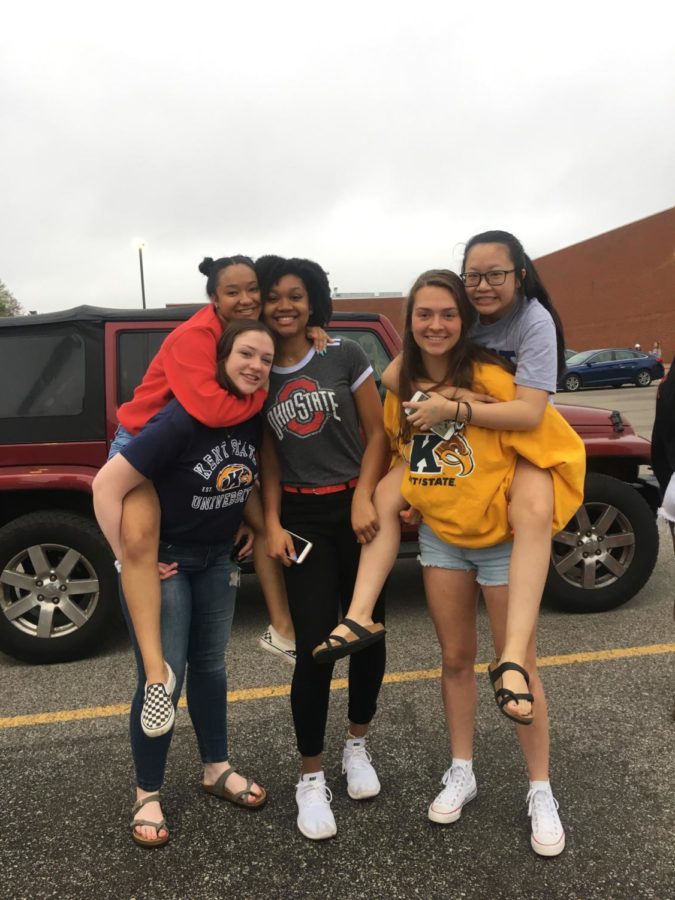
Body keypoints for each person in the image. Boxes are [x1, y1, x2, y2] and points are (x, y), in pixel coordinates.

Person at [316, 230, 569, 726]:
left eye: (496, 274)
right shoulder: (464, 319)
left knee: (535, 510)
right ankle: (360, 613)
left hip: (522, 447)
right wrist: (313, 334)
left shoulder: (533, 321)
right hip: (459, 457)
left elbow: (530, 413)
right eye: (473, 275)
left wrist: (456, 403)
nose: (483, 285)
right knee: (392, 491)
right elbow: (395, 378)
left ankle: (514, 655)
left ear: (520, 274)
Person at [385, 269, 584, 855]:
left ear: (466, 320)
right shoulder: (407, 379)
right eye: (425, 314)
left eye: (449, 313)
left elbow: (537, 431)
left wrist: (466, 403)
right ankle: (462, 769)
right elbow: (400, 438)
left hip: (501, 537)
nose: (437, 324)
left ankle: (540, 788)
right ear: (411, 320)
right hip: (444, 536)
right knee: (454, 658)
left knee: (516, 661)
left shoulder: (499, 378)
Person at [94, 256, 327, 737]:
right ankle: (158, 677)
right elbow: (212, 409)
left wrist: (317, 332)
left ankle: (281, 629)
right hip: (142, 443)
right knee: (139, 543)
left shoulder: (248, 331)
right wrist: (120, 557)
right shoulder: (193, 339)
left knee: (263, 526)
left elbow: (282, 335)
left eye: (252, 291)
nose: (246, 300)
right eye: (233, 292)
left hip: (201, 461)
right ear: (213, 298)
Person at [97, 319, 274, 846]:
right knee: (162, 678)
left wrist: (241, 516)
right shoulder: (180, 418)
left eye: (265, 359)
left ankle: (215, 768)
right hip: (166, 564)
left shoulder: (251, 413)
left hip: (217, 559)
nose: (256, 366)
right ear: (220, 359)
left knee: (212, 669)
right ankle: (146, 793)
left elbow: (238, 473)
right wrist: (129, 559)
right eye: (245, 354)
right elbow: (107, 485)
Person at [258, 255, 390, 840]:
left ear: (312, 301)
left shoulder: (344, 354)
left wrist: (365, 495)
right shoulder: (259, 369)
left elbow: (379, 432)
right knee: (315, 647)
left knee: (368, 632)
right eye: (274, 297)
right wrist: (271, 521)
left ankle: (356, 744)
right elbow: (265, 456)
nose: (285, 305)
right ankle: (310, 776)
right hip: (301, 515)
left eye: (296, 295)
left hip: (356, 511)